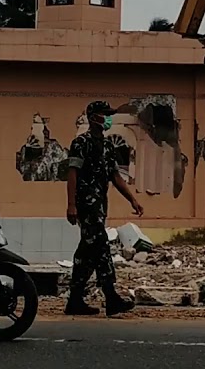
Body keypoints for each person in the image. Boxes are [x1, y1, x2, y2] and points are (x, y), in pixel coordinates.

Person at [64, 100, 144, 316]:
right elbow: (72, 173)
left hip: (100, 206)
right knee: (100, 247)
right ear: (92, 118)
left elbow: (115, 176)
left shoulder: (108, 145)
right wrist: (71, 205)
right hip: (86, 206)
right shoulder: (81, 143)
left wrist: (132, 199)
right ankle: (111, 297)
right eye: (104, 114)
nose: (108, 118)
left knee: (88, 251)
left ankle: (75, 300)